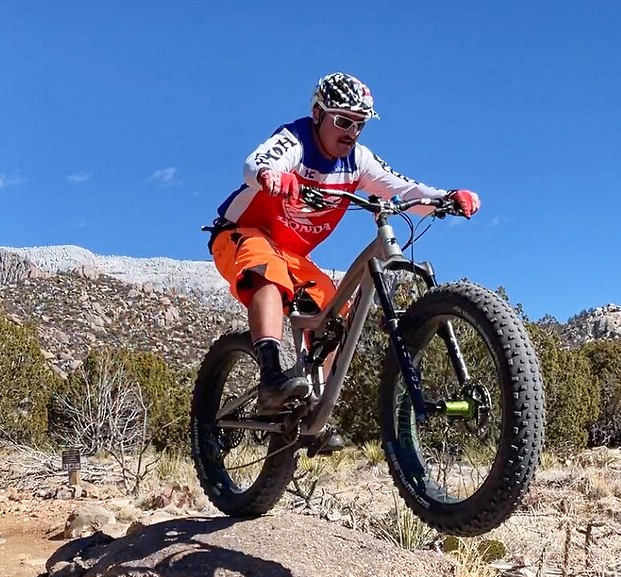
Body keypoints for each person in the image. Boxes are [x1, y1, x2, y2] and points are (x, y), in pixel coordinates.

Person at [203, 72, 480, 452]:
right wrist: (271, 176)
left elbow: (402, 189)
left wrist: (445, 196)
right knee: (268, 275)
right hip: (241, 233)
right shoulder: (295, 140)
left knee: (333, 316)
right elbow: (254, 164)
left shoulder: (358, 161)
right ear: (318, 113)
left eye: (360, 124)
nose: (352, 132)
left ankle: (314, 413)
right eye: (343, 121)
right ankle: (270, 378)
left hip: (294, 256)